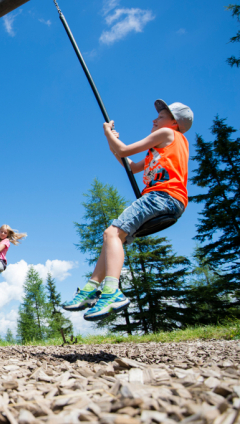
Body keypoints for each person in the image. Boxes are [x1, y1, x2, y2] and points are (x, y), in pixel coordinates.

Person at [63, 99, 193, 321]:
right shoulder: (159, 149)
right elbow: (130, 165)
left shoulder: (167, 135)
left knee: (111, 233)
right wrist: (113, 141)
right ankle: (91, 287)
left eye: (161, 117)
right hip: (170, 201)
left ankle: (112, 291)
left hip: (162, 195)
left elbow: (123, 149)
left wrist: (109, 136)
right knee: (114, 239)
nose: (155, 119)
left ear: (174, 122)